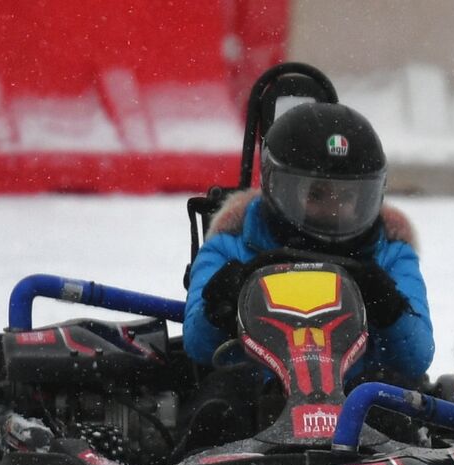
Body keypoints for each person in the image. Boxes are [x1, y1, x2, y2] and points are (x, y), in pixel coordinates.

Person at [183, 101, 434, 413]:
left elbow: (416, 358)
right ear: (278, 188)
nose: (334, 208)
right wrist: (224, 299)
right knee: (219, 401)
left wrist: (388, 307)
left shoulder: (391, 252)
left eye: (347, 197)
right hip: (257, 399)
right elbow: (197, 345)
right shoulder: (231, 244)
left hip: (358, 402)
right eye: (316, 195)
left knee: (392, 398)